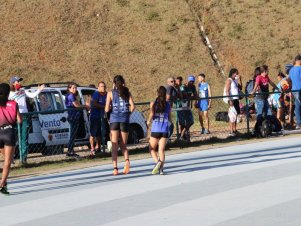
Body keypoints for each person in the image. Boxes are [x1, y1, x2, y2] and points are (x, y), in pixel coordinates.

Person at [9, 76, 45, 162]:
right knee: (13, 138)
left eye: (19, 81)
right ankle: (11, 157)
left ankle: (23, 159)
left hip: (24, 116)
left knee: (24, 138)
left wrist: (39, 90)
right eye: (17, 81)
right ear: (13, 83)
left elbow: (32, 95)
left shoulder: (23, 90)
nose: (19, 83)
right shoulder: (9, 93)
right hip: (14, 117)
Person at [105, 75, 135, 176]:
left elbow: (106, 109)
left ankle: (115, 168)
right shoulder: (127, 92)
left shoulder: (110, 93)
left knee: (114, 145)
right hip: (124, 119)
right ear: (123, 83)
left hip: (114, 120)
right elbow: (133, 106)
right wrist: (128, 114)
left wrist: (109, 110)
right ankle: (127, 161)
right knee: (123, 145)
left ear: (114, 83)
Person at [0, 83, 22, 195]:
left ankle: (4, 185)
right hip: (9, 132)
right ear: (9, 92)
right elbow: (19, 120)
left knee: (6, 159)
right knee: (8, 161)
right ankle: (2, 183)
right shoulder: (14, 103)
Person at [147, 86, 171, 175]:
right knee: (161, 150)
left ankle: (157, 162)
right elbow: (169, 117)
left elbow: (152, 114)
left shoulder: (154, 103)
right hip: (164, 129)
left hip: (156, 128)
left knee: (151, 148)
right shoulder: (168, 104)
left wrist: (148, 121)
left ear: (157, 93)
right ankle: (161, 170)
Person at [65, 82, 88, 157]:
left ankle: (70, 150)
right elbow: (77, 105)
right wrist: (85, 106)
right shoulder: (71, 95)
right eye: (73, 88)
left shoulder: (72, 95)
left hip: (75, 117)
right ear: (69, 89)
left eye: (75, 88)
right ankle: (70, 151)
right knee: (73, 135)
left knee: (73, 135)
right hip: (73, 117)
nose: (75, 89)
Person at [89, 82, 107, 155]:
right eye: (102, 86)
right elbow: (95, 103)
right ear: (98, 87)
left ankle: (98, 147)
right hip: (95, 116)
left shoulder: (106, 94)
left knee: (100, 133)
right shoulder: (96, 94)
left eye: (104, 86)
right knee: (93, 133)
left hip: (103, 116)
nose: (103, 88)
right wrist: (104, 107)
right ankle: (92, 148)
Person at [224, 68, 242, 136]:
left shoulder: (235, 80)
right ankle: (231, 131)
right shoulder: (229, 80)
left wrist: (240, 79)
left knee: (236, 114)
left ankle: (235, 130)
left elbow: (240, 88)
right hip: (232, 99)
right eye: (236, 73)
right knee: (232, 115)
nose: (237, 75)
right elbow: (227, 90)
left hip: (236, 99)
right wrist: (229, 99)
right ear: (233, 73)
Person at [287, 54, 301, 129]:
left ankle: (299, 124)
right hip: (300, 89)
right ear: (299, 61)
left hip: (294, 90)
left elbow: (289, 80)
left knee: (297, 107)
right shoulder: (300, 68)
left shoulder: (291, 70)